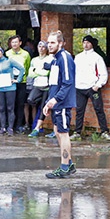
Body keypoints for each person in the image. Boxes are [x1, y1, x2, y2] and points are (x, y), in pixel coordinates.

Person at [43, 31, 76, 179]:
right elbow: (54, 83)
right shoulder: (55, 59)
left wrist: (56, 100)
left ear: (61, 43)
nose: (49, 45)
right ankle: (68, 164)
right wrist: (49, 102)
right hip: (56, 102)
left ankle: (64, 167)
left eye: (53, 43)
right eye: (48, 42)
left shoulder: (64, 57)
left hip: (63, 103)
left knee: (63, 133)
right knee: (57, 131)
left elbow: (68, 82)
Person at [72, 35, 110, 141]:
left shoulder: (97, 57)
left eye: (88, 43)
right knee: (79, 111)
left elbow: (103, 74)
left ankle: (104, 131)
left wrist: (97, 85)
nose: (85, 45)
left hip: (92, 87)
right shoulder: (78, 57)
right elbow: (74, 72)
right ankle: (77, 132)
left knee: (99, 109)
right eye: (84, 42)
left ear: (92, 44)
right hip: (80, 87)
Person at [0, 44, 26, 135]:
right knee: (1, 108)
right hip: (0, 87)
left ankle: (10, 128)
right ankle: (2, 128)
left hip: (10, 87)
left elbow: (22, 69)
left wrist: (18, 80)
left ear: (2, 52)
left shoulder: (9, 61)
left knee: (10, 108)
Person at [6, 35, 32, 133]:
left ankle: (19, 125)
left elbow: (27, 66)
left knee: (20, 103)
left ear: (20, 43)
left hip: (22, 82)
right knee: (11, 104)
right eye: (12, 42)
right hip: (10, 81)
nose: (14, 44)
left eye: (16, 42)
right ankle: (10, 124)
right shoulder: (7, 54)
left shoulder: (26, 54)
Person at [27, 40, 52, 137]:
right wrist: (40, 71)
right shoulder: (34, 60)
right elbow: (30, 73)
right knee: (30, 99)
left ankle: (37, 128)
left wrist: (36, 71)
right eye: (39, 46)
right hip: (37, 85)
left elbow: (47, 73)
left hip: (46, 86)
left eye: (43, 47)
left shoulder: (49, 59)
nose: (41, 49)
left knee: (43, 108)